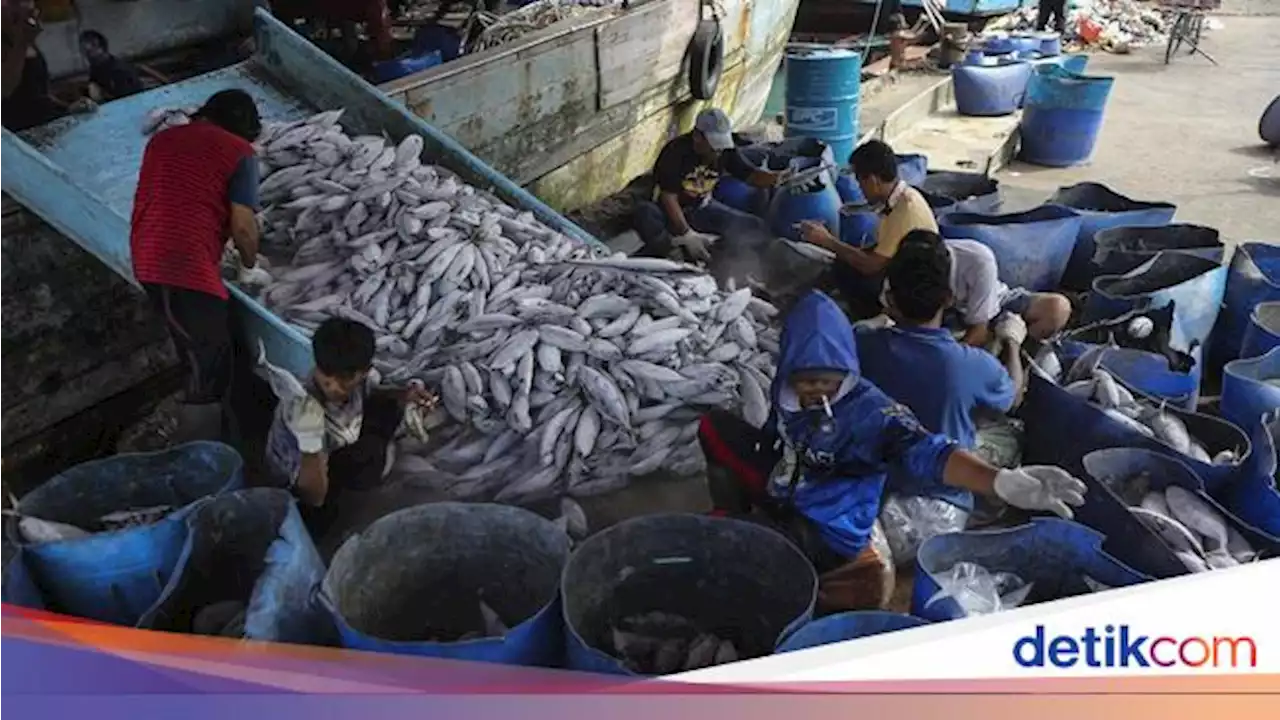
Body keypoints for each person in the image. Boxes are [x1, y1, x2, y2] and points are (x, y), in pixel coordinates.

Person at [697, 289, 1085, 612]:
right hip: (787, 479)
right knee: (715, 427)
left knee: (722, 548)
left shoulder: (873, 414)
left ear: (848, 370)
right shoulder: (786, 389)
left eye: (829, 382)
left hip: (828, 522)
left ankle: (770, 543)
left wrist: (999, 481)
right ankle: (744, 513)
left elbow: (928, 452)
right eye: (806, 381)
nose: (816, 391)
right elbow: (776, 430)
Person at [855, 233, 1027, 563]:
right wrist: (1013, 343)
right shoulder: (970, 364)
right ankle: (989, 510)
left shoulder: (862, 343)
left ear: (889, 298)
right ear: (949, 299)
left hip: (870, 513)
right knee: (1010, 432)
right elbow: (1014, 396)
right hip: (937, 524)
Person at [129, 89, 272, 442]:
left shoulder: (161, 142)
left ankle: (227, 438)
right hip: (183, 265)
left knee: (208, 352)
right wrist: (249, 264)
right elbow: (243, 226)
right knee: (205, 367)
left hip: (147, 255)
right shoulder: (240, 152)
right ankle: (206, 458)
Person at [263, 318, 438, 539]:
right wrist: (310, 442)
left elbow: (374, 392)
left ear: (364, 372)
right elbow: (312, 496)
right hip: (299, 484)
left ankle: (360, 480)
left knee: (387, 411)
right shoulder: (299, 410)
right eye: (326, 375)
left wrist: (405, 394)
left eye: (345, 379)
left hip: (339, 445)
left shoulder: (362, 382)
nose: (333, 387)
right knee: (318, 519)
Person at [798, 140, 937, 315]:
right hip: (902, 269)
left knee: (848, 272)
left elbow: (871, 266)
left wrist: (827, 241)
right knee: (843, 261)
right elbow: (882, 250)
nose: (859, 188)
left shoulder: (905, 210)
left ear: (873, 180)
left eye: (860, 181)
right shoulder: (901, 198)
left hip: (917, 288)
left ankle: (867, 318)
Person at [632, 108, 783, 270]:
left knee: (755, 227)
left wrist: (780, 178)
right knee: (644, 213)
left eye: (722, 145)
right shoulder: (675, 152)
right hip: (671, 213)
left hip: (702, 208)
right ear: (697, 137)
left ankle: (718, 254)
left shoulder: (725, 151)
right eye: (714, 145)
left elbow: (751, 176)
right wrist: (687, 233)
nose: (718, 151)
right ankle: (672, 251)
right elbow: (668, 197)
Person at [940, 237, 1073, 346]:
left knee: (1057, 308)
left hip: (995, 307)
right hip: (948, 322)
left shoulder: (976, 258)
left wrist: (1012, 341)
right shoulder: (922, 271)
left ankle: (1016, 359)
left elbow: (979, 332)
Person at [0, 1, 88, 130]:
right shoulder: (13, 42)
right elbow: (5, 89)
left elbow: (38, 92)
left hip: (47, 123)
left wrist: (68, 107)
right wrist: (22, 42)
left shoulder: (27, 38)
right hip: (19, 130)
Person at [78, 30, 144, 103]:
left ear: (101, 48)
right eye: (85, 52)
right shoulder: (96, 69)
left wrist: (102, 96)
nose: (88, 56)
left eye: (90, 50)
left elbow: (127, 99)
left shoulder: (120, 71)